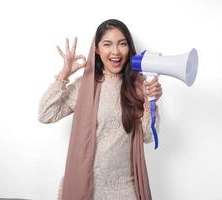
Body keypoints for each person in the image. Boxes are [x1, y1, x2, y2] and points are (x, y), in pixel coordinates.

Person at [38, 19, 162, 200]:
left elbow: (148, 137)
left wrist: (149, 101)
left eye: (122, 44)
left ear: (129, 48)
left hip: (124, 190)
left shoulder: (139, 86)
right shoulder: (85, 87)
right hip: (85, 187)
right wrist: (64, 74)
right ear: (96, 49)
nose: (116, 51)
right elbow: (45, 114)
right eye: (107, 44)